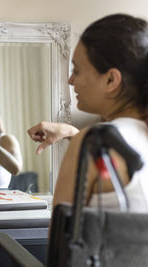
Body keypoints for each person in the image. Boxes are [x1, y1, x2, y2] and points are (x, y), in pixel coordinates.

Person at [28, 14, 148, 211]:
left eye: (77, 70)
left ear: (111, 80)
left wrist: (81, 140)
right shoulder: (138, 136)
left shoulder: (91, 143)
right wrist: (72, 133)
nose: (70, 80)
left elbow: (60, 239)